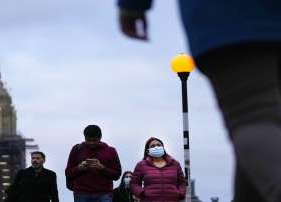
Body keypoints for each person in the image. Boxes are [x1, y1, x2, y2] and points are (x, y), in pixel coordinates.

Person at [117, 1, 281, 202]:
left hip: (232, 21)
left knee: (253, 117)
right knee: (265, 131)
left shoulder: (173, 165)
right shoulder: (143, 167)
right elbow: (136, 183)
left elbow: (181, 182)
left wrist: (132, 6)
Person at [65, 124, 122, 202]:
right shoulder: (77, 149)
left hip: (104, 194)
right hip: (81, 193)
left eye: (94, 140)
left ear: (100, 137)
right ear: (84, 137)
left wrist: (102, 168)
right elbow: (68, 173)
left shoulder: (110, 151)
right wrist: (79, 168)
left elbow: (117, 174)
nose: (91, 143)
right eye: (88, 140)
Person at [130, 137, 186, 202]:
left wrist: (180, 194)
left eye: (159, 145)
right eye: (152, 146)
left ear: (163, 148)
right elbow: (134, 183)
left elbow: (182, 182)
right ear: (148, 151)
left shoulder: (175, 164)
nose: (156, 147)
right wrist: (142, 193)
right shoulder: (141, 165)